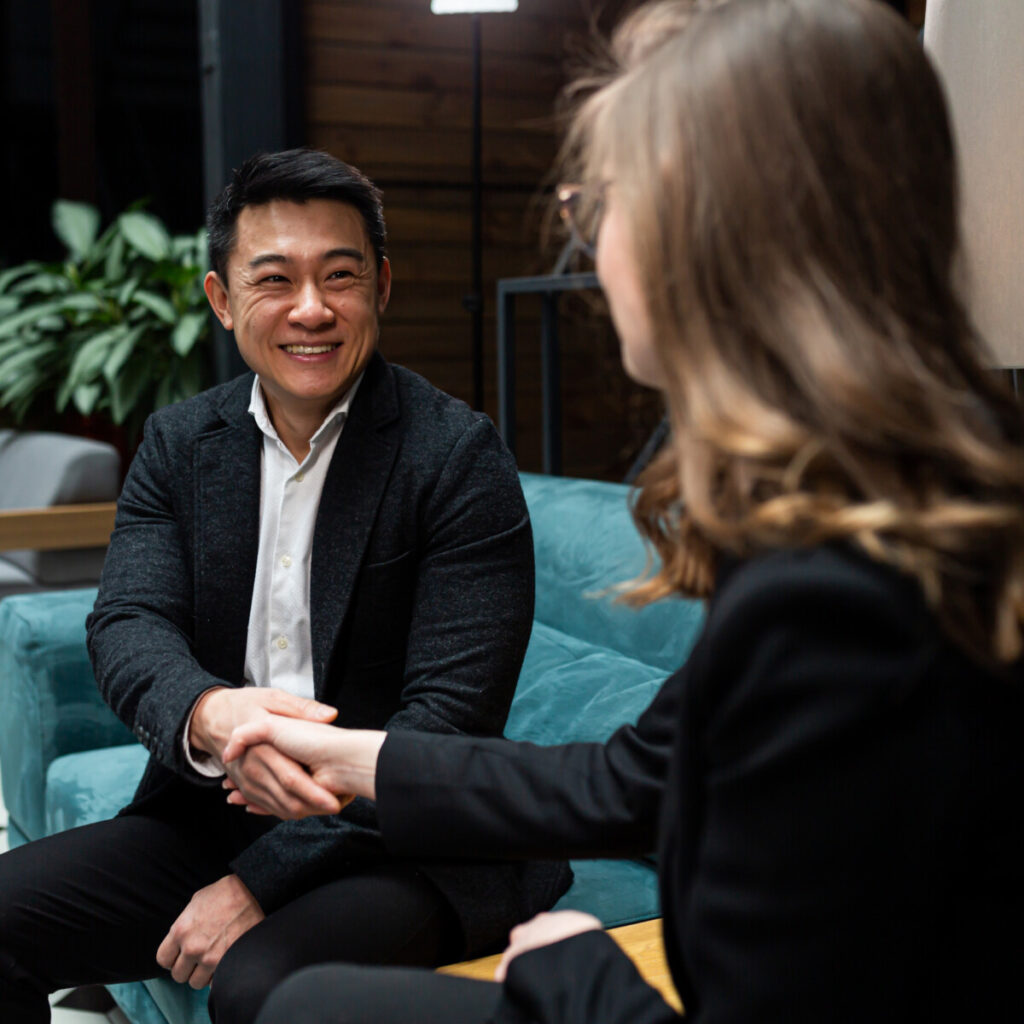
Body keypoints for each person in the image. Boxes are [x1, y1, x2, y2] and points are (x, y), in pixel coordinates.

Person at [219, 3, 1023, 1022]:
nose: (590, 249)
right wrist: (350, 758)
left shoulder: (838, 595)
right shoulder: (886, 491)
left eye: (602, 201)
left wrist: (567, 963)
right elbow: (635, 777)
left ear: (716, 226)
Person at [0, 149, 570, 1024]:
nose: (312, 309)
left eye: (339, 276)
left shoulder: (456, 457)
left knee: (266, 987)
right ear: (223, 300)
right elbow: (128, 621)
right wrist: (210, 715)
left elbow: (445, 724)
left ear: (380, 286)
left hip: (406, 838)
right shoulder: (180, 444)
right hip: (211, 815)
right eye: (275, 280)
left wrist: (257, 882)